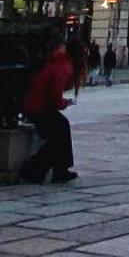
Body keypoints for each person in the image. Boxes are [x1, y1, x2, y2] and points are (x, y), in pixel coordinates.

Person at [18, 40, 78, 185]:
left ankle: (58, 169)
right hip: (38, 108)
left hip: (36, 106)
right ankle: (35, 169)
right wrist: (65, 103)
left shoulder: (58, 62)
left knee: (62, 128)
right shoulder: (64, 67)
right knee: (59, 135)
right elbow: (55, 95)